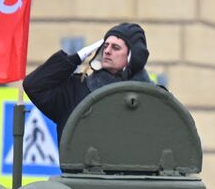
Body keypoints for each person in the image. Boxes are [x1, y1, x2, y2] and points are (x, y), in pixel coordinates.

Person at [23, 23, 152, 132]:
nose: (107, 51)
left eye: (116, 47)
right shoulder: (75, 91)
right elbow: (33, 86)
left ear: (133, 57)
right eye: (105, 46)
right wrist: (77, 57)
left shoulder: (153, 99)